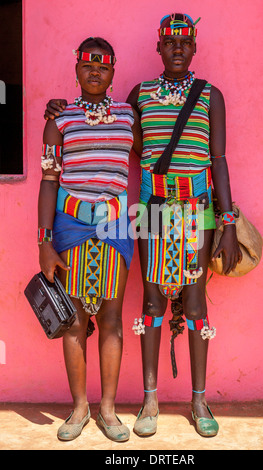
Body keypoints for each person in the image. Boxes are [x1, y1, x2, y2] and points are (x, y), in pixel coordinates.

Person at [44, 13, 241, 439]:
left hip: (198, 212)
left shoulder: (210, 96)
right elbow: (110, 133)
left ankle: (199, 399)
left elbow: (219, 161)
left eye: (184, 43)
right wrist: (57, 111)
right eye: (169, 42)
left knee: (194, 305)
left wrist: (228, 222)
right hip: (150, 211)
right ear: (157, 47)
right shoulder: (139, 96)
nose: (176, 49)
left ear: (194, 48)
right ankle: (149, 400)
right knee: (151, 304)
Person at [39, 36, 142, 442]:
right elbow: (49, 181)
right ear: (76, 69)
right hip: (70, 228)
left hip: (116, 228)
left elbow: (154, 155)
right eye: (87, 65)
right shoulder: (59, 120)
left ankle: (109, 410)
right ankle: (80, 408)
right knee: (75, 321)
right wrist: (43, 240)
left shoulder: (129, 116)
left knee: (112, 320)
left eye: (103, 65)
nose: (95, 71)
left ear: (114, 71)